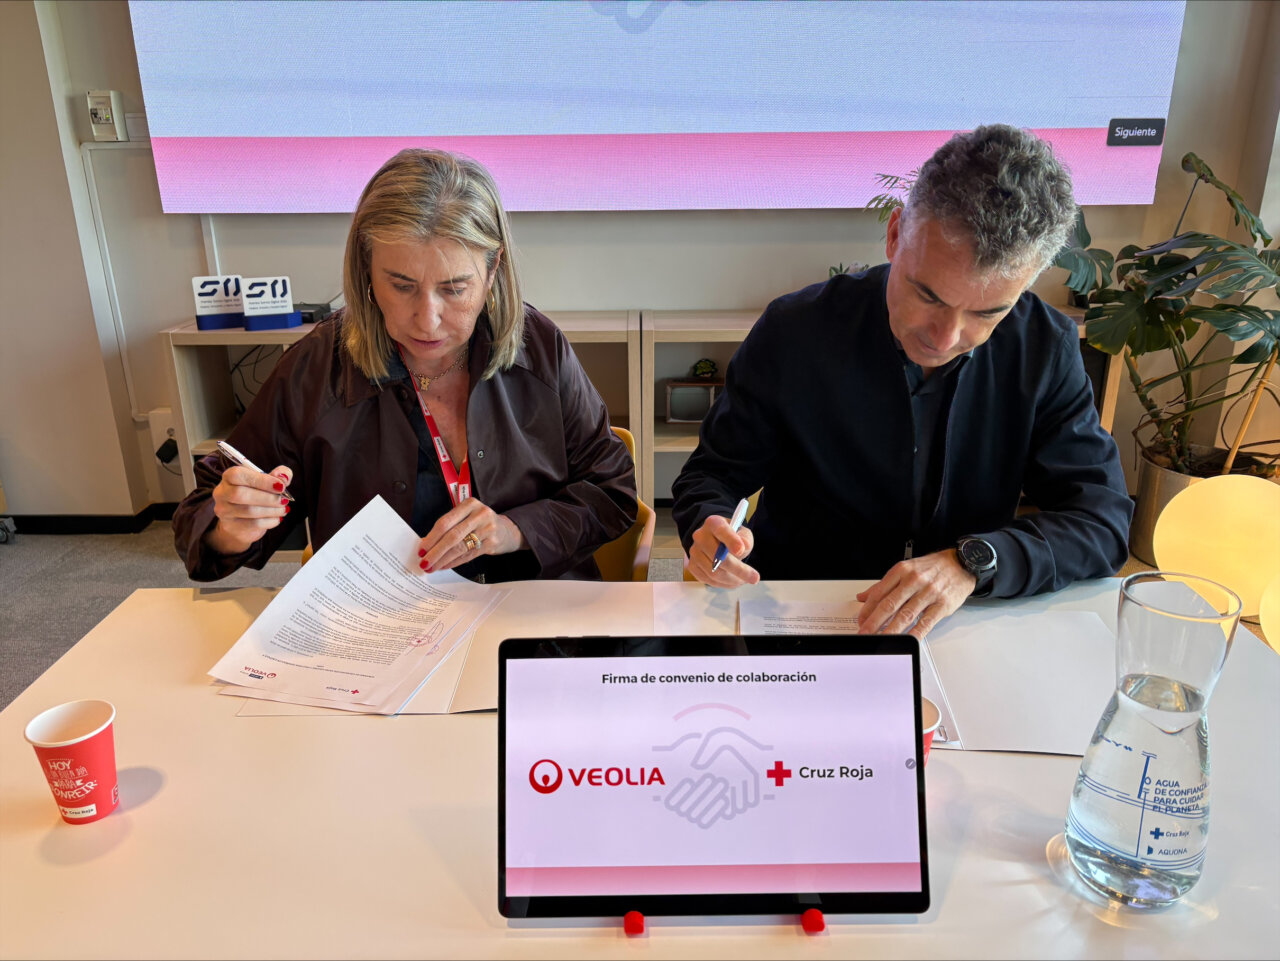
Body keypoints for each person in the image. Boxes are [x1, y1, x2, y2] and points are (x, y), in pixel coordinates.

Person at [672, 124, 1132, 639]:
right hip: (802, 609)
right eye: (928, 295)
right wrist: (709, 522)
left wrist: (974, 561)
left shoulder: (1043, 346)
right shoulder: (795, 331)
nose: (945, 337)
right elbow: (711, 475)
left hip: (958, 620)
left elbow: (1102, 521)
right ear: (894, 235)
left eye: (987, 313)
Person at [174, 149, 637, 582]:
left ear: (493, 269)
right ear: (367, 270)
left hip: (526, 616)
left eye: (454, 289)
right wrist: (232, 525)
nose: (427, 319)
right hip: (380, 622)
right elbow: (201, 515)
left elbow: (612, 491)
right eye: (401, 286)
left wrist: (513, 530)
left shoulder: (538, 348)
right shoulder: (318, 366)